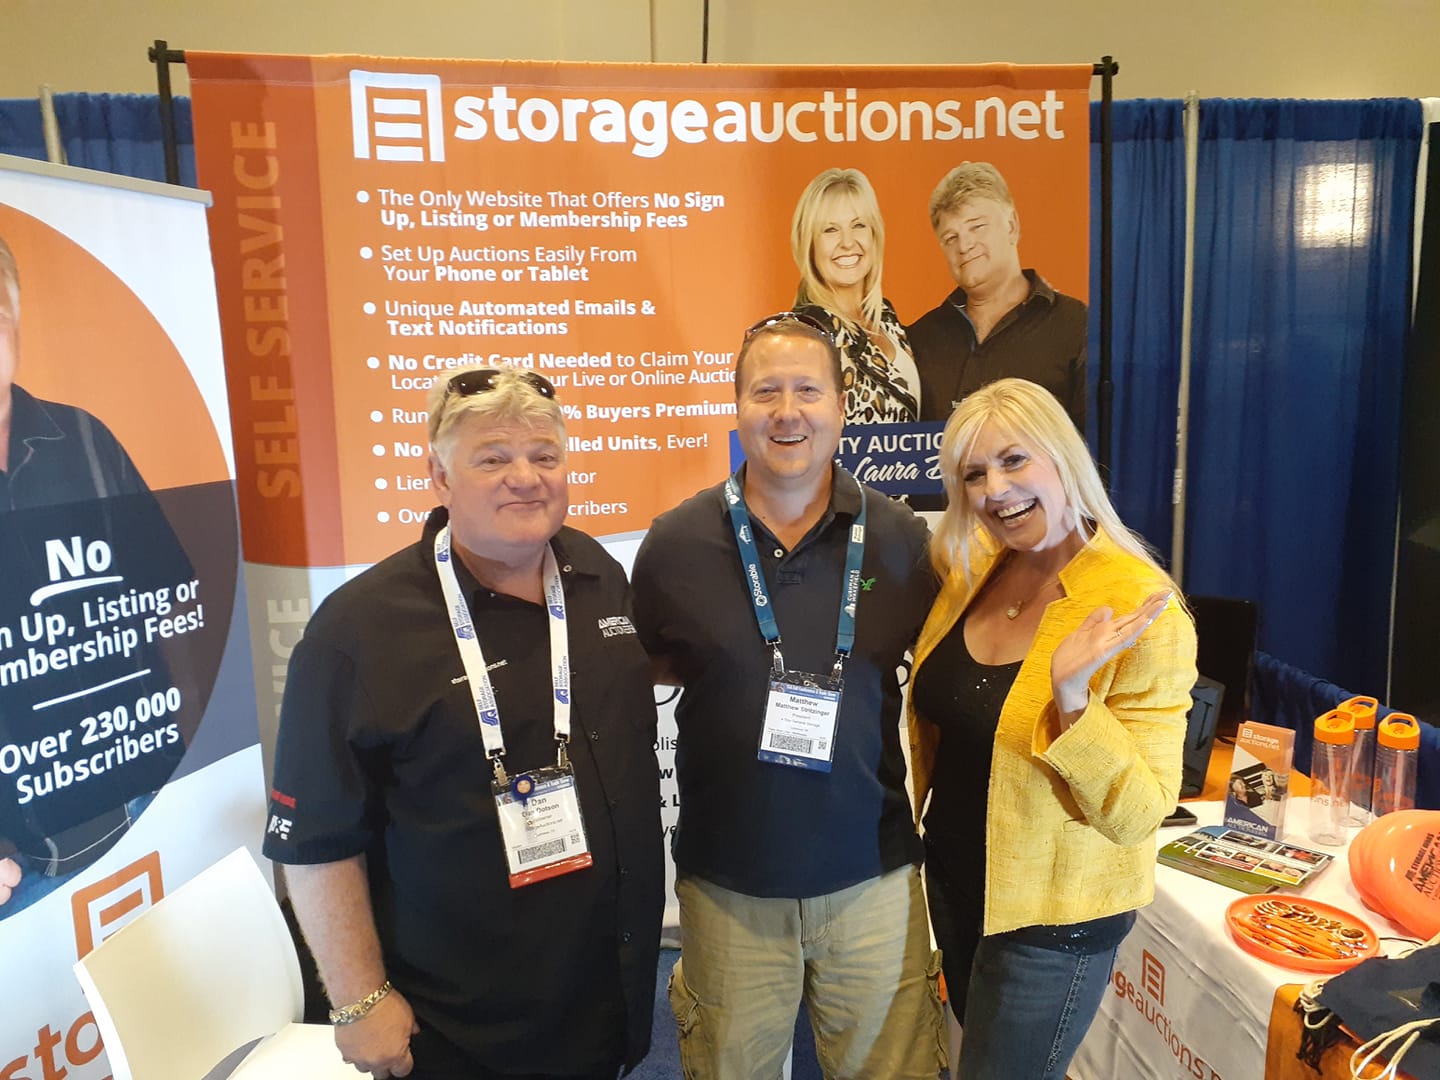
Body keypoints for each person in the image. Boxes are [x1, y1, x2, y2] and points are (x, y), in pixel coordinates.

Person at [263, 367, 663, 1080]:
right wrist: (358, 1001)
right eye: (493, 457)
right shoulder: (357, 634)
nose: (525, 478)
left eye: (544, 455)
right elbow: (316, 841)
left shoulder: (595, 572)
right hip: (458, 1029)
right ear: (439, 476)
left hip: (606, 999)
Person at [632, 313, 943, 1079]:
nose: (787, 412)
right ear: (737, 407)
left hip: (872, 880)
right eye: (765, 391)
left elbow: (945, 678)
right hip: (730, 886)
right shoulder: (675, 545)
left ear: (841, 407)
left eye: (807, 390)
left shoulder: (902, 539)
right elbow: (651, 669)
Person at [907, 378, 1196, 1079]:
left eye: (1014, 460)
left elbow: (1140, 813)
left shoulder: (1140, 605)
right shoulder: (974, 571)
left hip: (1050, 919)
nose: (996, 490)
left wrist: (1073, 700)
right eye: (973, 474)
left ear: (1063, 458)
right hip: (959, 884)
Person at [0, 229, 175, 914]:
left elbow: (167, 600)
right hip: (23, 863)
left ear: (16, 322)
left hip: (154, 805)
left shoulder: (86, 439)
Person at [907, 163, 1088, 429]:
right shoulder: (918, 338)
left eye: (977, 226)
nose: (964, 246)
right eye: (950, 237)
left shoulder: (1076, 325)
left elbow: (1092, 446)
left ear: (1012, 226)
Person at [790, 167, 921, 424]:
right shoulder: (805, 334)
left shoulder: (887, 319)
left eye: (858, 225)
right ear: (809, 243)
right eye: (830, 230)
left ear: (874, 234)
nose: (848, 242)